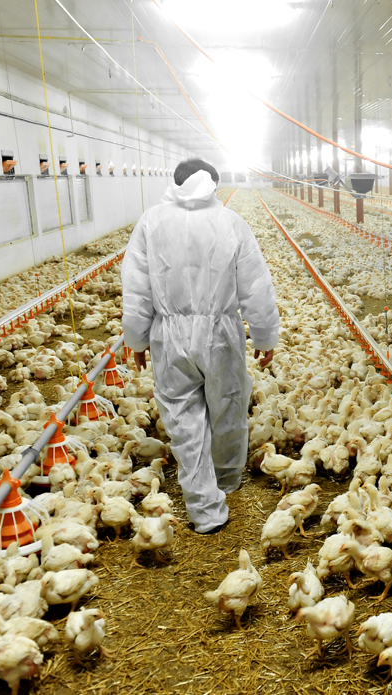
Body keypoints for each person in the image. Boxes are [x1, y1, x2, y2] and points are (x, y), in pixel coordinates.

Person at [121, 159, 280, 534]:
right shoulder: (230, 222)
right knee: (228, 405)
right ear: (214, 183)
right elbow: (255, 284)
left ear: (174, 183)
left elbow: (137, 287)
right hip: (221, 332)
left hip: (170, 333)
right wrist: (264, 334)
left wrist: (137, 338)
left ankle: (205, 508)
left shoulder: (151, 222)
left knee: (181, 417)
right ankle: (226, 478)